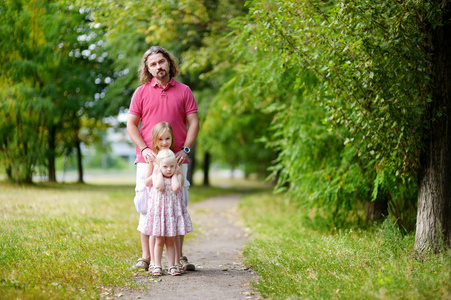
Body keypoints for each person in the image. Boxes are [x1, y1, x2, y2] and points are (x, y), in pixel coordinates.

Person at [127, 46, 199, 272]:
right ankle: (146, 257)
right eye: (153, 64)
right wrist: (144, 148)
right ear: (148, 69)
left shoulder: (184, 90)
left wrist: (185, 150)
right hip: (147, 158)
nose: (158, 66)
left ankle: (177, 258)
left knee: (177, 204)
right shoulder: (140, 92)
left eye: (161, 62)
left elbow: (194, 123)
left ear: (168, 62)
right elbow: (131, 124)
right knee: (146, 205)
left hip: (176, 159)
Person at [138, 149, 193, 276]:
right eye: (165, 167)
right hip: (160, 214)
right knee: (159, 240)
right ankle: (157, 265)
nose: (169, 169)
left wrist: (176, 172)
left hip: (171, 215)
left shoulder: (177, 176)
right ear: (159, 166)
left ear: (175, 165)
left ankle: (172, 265)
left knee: (170, 241)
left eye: (171, 166)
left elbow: (175, 187)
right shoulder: (157, 176)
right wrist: (157, 171)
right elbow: (160, 186)